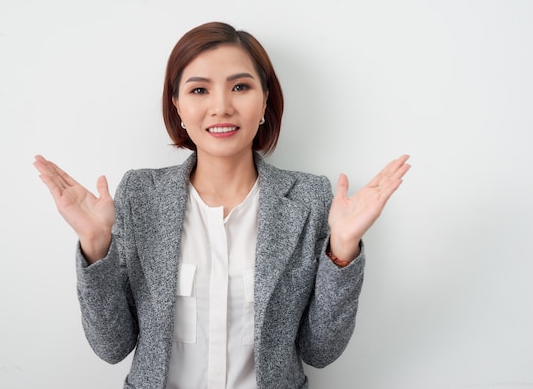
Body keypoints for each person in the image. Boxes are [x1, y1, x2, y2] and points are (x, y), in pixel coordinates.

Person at [33, 21, 410, 389]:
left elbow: (320, 351)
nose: (221, 107)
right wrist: (96, 248)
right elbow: (111, 347)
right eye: (199, 90)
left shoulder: (309, 199)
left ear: (265, 100)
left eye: (240, 87)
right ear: (177, 106)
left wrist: (342, 250)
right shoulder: (139, 194)